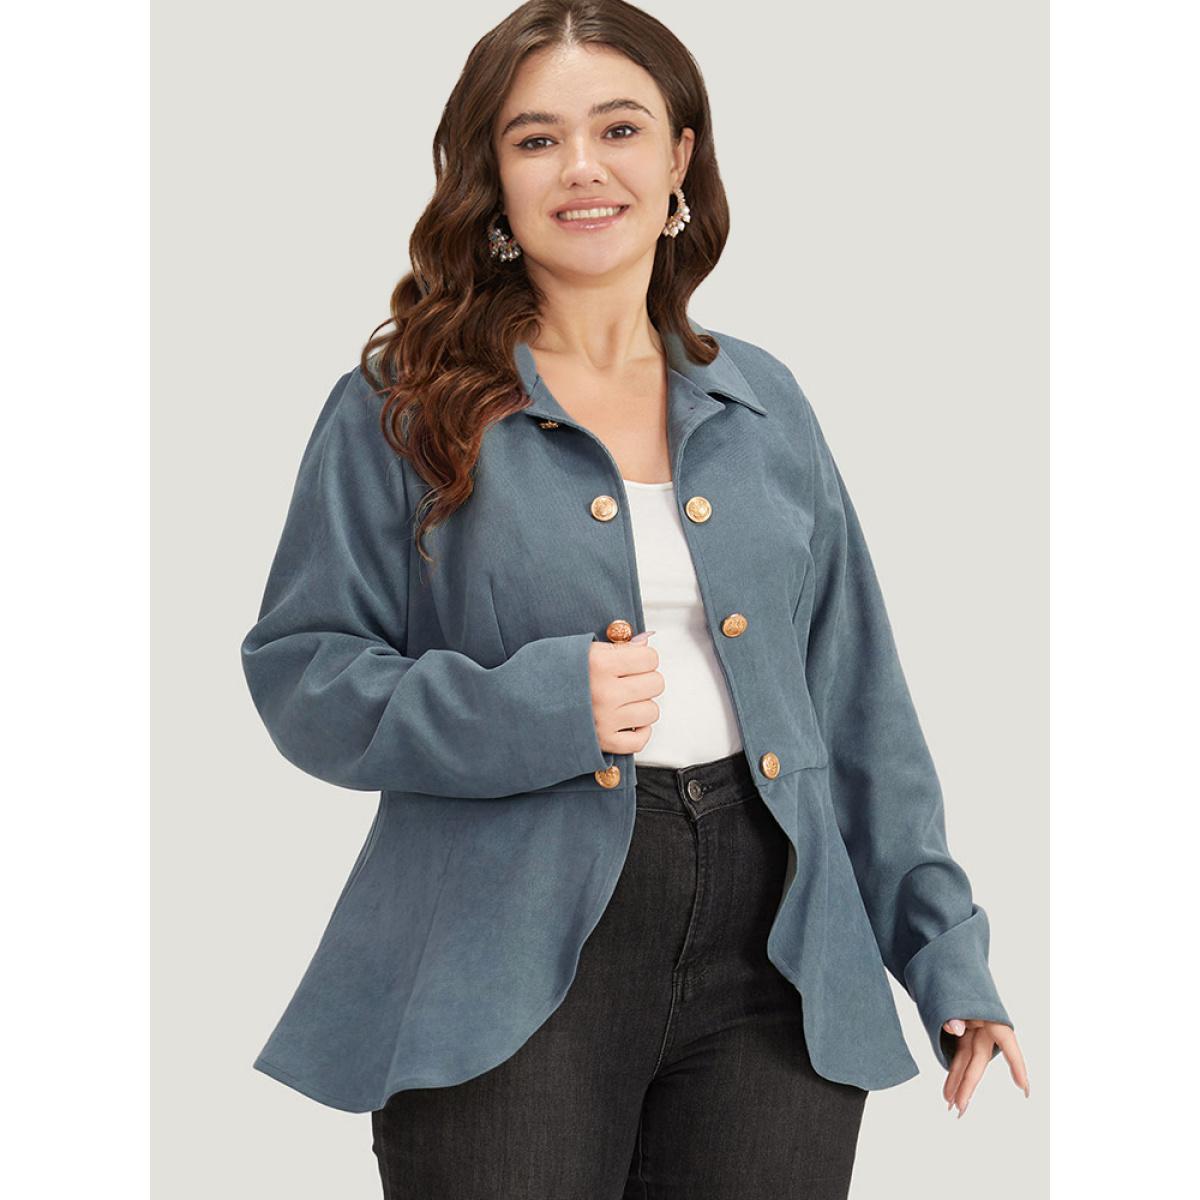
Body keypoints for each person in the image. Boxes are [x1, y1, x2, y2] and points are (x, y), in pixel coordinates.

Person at [240, 2, 1029, 1196]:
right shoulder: (401, 403)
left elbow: (858, 703)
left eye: (619, 129)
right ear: (491, 176)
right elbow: (303, 671)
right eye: (536, 139)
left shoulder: (765, 401)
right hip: (499, 960)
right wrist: (539, 706)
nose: (583, 167)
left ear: (679, 160)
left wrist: (944, 954)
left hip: (779, 961)